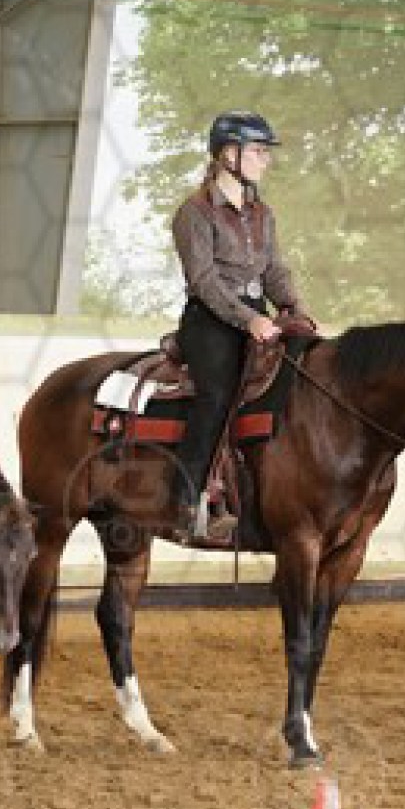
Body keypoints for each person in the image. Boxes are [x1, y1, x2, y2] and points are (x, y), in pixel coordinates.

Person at [170, 110, 308, 547]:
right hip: (210, 321)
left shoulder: (263, 214)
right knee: (217, 394)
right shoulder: (194, 213)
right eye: (258, 151)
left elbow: (274, 271)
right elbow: (204, 281)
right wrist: (250, 319)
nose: (266, 160)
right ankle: (186, 500)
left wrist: (294, 309)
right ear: (229, 154)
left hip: (259, 319)